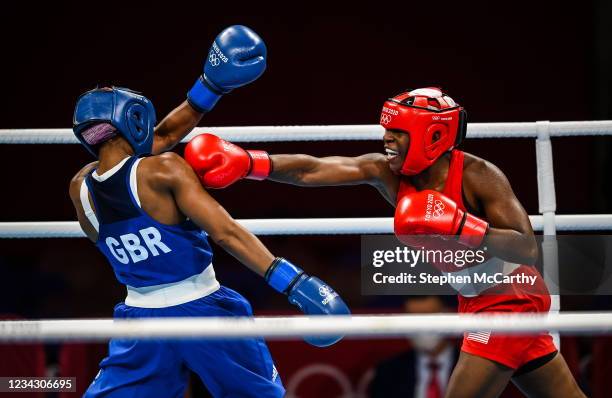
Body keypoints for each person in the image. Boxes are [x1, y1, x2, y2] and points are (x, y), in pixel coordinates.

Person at [185, 87, 586, 397]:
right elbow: (314, 170)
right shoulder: (388, 172)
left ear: (432, 135)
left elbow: (527, 248)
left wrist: (461, 224)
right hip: (474, 298)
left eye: (398, 132)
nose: (387, 140)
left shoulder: (479, 176)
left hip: (509, 301)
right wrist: (250, 164)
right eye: (386, 130)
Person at [68, 25, 350, 398]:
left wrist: (211, 87)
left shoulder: (80, 188)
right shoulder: (163, 169)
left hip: (138, 321)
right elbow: (225, 232)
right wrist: (294, 283)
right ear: (134, 119)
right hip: (205, 309)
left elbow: (161, 139)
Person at [369, 296, 459, 398]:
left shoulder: (473, 365)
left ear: (448, 317)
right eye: (413, 318)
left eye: (428, 317)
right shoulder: (387, 373)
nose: (421, 326)